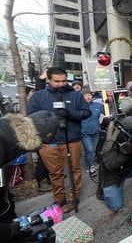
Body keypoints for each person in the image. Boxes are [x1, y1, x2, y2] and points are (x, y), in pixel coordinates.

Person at [27, 67, 91, 213]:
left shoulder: (75, 95)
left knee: (75, 170)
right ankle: (59, 199)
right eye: (57, 81)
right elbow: (30, 116)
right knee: (55, 173)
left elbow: (86, 112)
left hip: (72, 140)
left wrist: (70, 113)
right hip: (49, 143)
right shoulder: (39, 96)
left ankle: (73, 198)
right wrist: (48, 119)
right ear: (49, 80)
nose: (61, 84)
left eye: (64, 81)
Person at [0, 111, 58, 242]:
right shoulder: (3, 143)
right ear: (37, 137)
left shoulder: (9, 132)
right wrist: (7, 230)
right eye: (40, 145)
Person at [96, 116, 132, 211]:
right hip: (112, 176)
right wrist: (124, 154)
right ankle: (102, 189)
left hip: (125, 170)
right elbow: (110, 165)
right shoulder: (112, 139)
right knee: (117, 206)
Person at [81, 87, 105, 176]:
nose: (88, 97)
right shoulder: (79, 106)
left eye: (89, 95)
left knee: (94, 150)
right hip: (85, 132)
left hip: (96, 131)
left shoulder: (97, 105)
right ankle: (90, 166)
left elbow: (106, 112)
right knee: (89, 150)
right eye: (86, 95)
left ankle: (92, 164)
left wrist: (108, 102)